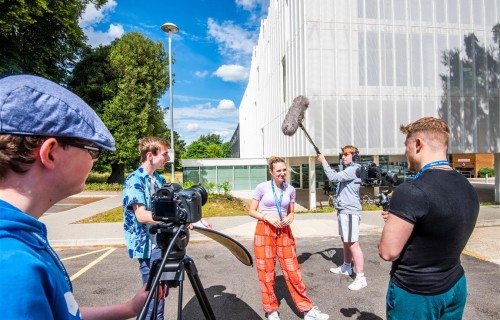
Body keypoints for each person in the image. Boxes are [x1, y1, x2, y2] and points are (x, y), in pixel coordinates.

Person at [0, 74, 149, 319]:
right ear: (50, 153)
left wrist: (128, 309)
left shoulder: (21, 235)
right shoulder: (14, 267)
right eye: (92, 149)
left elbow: (61, 313)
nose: (95, 160)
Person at [378, 117, 479, 320]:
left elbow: (388, 252)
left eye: (406, 146)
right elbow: (441, 222)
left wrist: (392, 224)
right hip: (455, 285)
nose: (405, 152)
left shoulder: (411, 191)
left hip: (416, 293)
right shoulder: (466, 186)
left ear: (417, 144)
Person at [123, 137, 212, 320]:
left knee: (161, 294)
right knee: (153, 298)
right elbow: (141, 215)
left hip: (163, 243)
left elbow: (174, 207)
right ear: (150, 155)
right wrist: (176, 219)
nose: (168, 159)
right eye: (164, 154)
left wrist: (192, 218)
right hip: (148, 247)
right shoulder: (134, 180)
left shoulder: (159, 179)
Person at [248, 156, 329, 320]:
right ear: (271, 171)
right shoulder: (262, 187)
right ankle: (271, 310)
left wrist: (291, 217)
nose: (282, 173)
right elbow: (251, 211)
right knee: (266, 272)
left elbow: (291, 211)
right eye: (278, 170)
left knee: (293, 270)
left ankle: (307, 310)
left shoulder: (290, 189)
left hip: (284, 230)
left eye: (284, 170)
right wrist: (266, 217)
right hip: (264, 230)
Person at [316, 146, 367, 291]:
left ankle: (361, 277)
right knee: (346, 240)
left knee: (353, 243)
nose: (343, 157)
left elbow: (334, 178)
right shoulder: (349, 168)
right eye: (342, 155)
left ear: (354, 157)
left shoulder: (353, 169)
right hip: (344, 210)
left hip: (350, 211)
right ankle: (346, 267)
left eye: (346, 155)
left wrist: (324, 161)